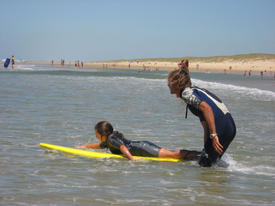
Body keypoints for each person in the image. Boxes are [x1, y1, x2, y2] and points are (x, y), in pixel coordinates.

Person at [167, 59, 236, 167]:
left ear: (177, 84)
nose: (168, 85)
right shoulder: (191, 90)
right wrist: (206, 145)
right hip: (229, 126)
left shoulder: (187, 94)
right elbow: (205, 122)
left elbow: (207, 109)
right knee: (209, 162)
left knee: (205, 165)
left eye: (170, 84)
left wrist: (214, 136)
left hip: (222, 128)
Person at [75, 121, 201, 161]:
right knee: (172, 154)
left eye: (96, 134)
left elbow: (123, 148)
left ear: (103, 134)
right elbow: (98, 145)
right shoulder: (108, 140)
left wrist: (132, 160)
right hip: (142, 147)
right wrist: (83, 146)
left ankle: (200, 155)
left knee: (173, 155)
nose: (96, 136)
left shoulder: (111, 139)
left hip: (142, 148)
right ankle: (198, 155)